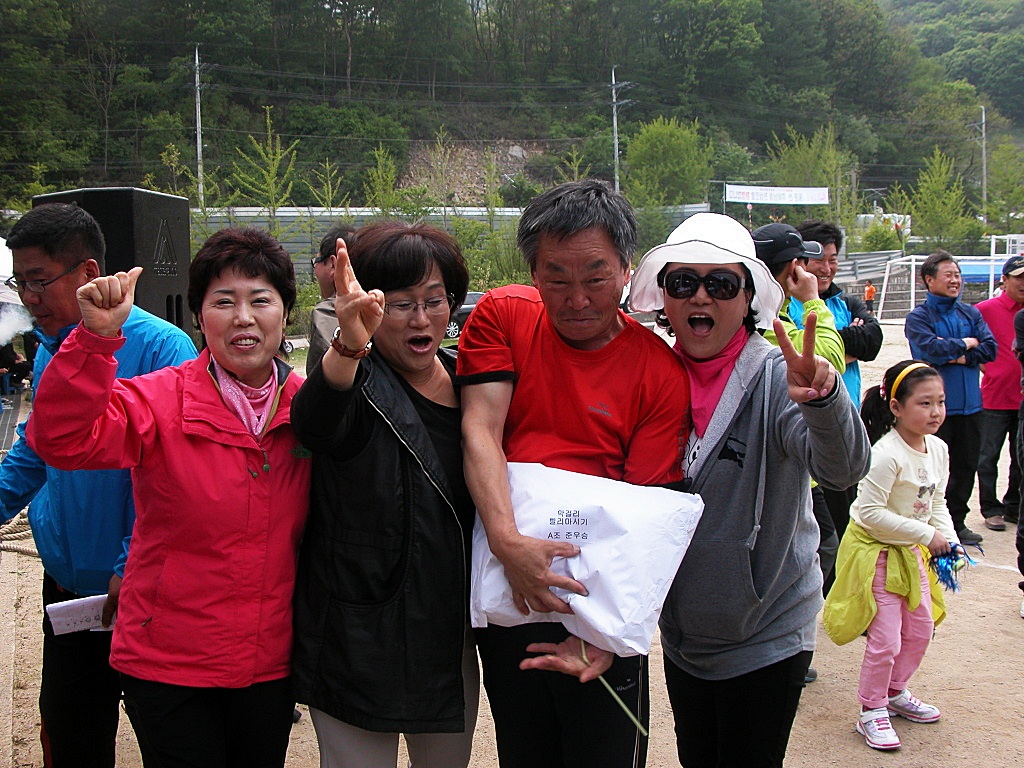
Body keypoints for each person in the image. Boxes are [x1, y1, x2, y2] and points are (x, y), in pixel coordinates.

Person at [26, 227, 311, 768]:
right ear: (199, 317)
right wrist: (95, 339)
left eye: (260, 300)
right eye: (222, 302)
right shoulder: (159, 399)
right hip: (170, 662)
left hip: (268, 662)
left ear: (285, 313)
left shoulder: (309, 410)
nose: (243, 318)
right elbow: (61, 440)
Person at [458, 179, 690, 768]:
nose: (577, 298)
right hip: (508, 585)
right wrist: (508, 543)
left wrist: (603, 636)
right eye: (556, 278)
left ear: (627, 270)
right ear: (533, 273)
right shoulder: (502, 316)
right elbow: (481, 428)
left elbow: (647, 508)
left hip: (601, 597)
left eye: (596, 277)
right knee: (524, 748)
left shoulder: (659, 371)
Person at [624, 212, 870, 767]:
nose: (700, 296)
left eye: (721, 283)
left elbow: (843, 470)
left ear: (748, 297)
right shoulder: (649, 374)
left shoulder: (777, 377)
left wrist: (825, 400)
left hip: (765, 629)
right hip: (684, 631)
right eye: (683, 282)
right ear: (665, 298)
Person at [0, 203, 196, 768]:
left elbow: (177, 477)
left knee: (171, 739)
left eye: (39, 281)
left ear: (88, 272)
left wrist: (130, 564)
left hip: (140, 594)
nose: (29, 298)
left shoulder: (162, 349)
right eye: (20, 283)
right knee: (72, 732)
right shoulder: (52, 346)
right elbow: (35, 450)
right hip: (68, 590)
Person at [291, 222, 479, 767]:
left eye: (434, 301)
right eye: (399, 305)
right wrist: (349, 345)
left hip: (445, 633)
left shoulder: (472, 387)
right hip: (356, 636)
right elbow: (316, 422)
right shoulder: (354, 382)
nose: (421, 319)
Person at [824, 361, 958, 752]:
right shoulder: (885, 454)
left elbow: (935, 503)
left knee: (920, 629)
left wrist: (949, 541)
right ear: (896, 407)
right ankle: (872, 708)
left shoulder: (939, 449)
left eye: (940, 402)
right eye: (924, 403)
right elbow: (869, 514)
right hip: (876, 553)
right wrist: (927, 535)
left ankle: (896, 691)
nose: (935, 412)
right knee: (885, 639)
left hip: (910, 552)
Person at [790, 220, 883, 589]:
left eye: (833, 259)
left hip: (846, 425)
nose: (827, 268)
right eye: (820, 260)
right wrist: (843, 343)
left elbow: (871, 340)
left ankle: (840, 598)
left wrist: (834, 343)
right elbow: (808, 356)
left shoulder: (846, 302)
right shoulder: (788, 303)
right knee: (819, 535)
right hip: (808, 432)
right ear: (799, 262)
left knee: (846, 527)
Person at [905, 250, 996, 544]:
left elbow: (990, 349)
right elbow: (929, 350)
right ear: (929, 280)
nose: (955, 280)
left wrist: (955, 353)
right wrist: (967, 344)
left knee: (966, 466)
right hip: (932, 411)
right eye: (949, 275)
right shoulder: (919, 317)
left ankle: (957, 522)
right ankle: (927, 524)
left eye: (957, 275)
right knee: (931, 470)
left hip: (971, 408)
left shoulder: (971, 313)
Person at [975, 255, 1024, 532]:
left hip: (1022, 399)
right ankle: (990, 507)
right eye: (1019, 278)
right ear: (1004, 280)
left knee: (1020, 458)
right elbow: (974, 342)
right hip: (994, 397)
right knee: (988, 456)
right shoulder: (985, 309)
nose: (1023, 283)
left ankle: (1014, 506)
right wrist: (989, 368)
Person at [307, 225, 356, 375]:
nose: (315, 270)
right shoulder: (382, 304)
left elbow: (320, 380)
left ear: (334, 264)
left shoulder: (326, 312)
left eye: (316, 261)